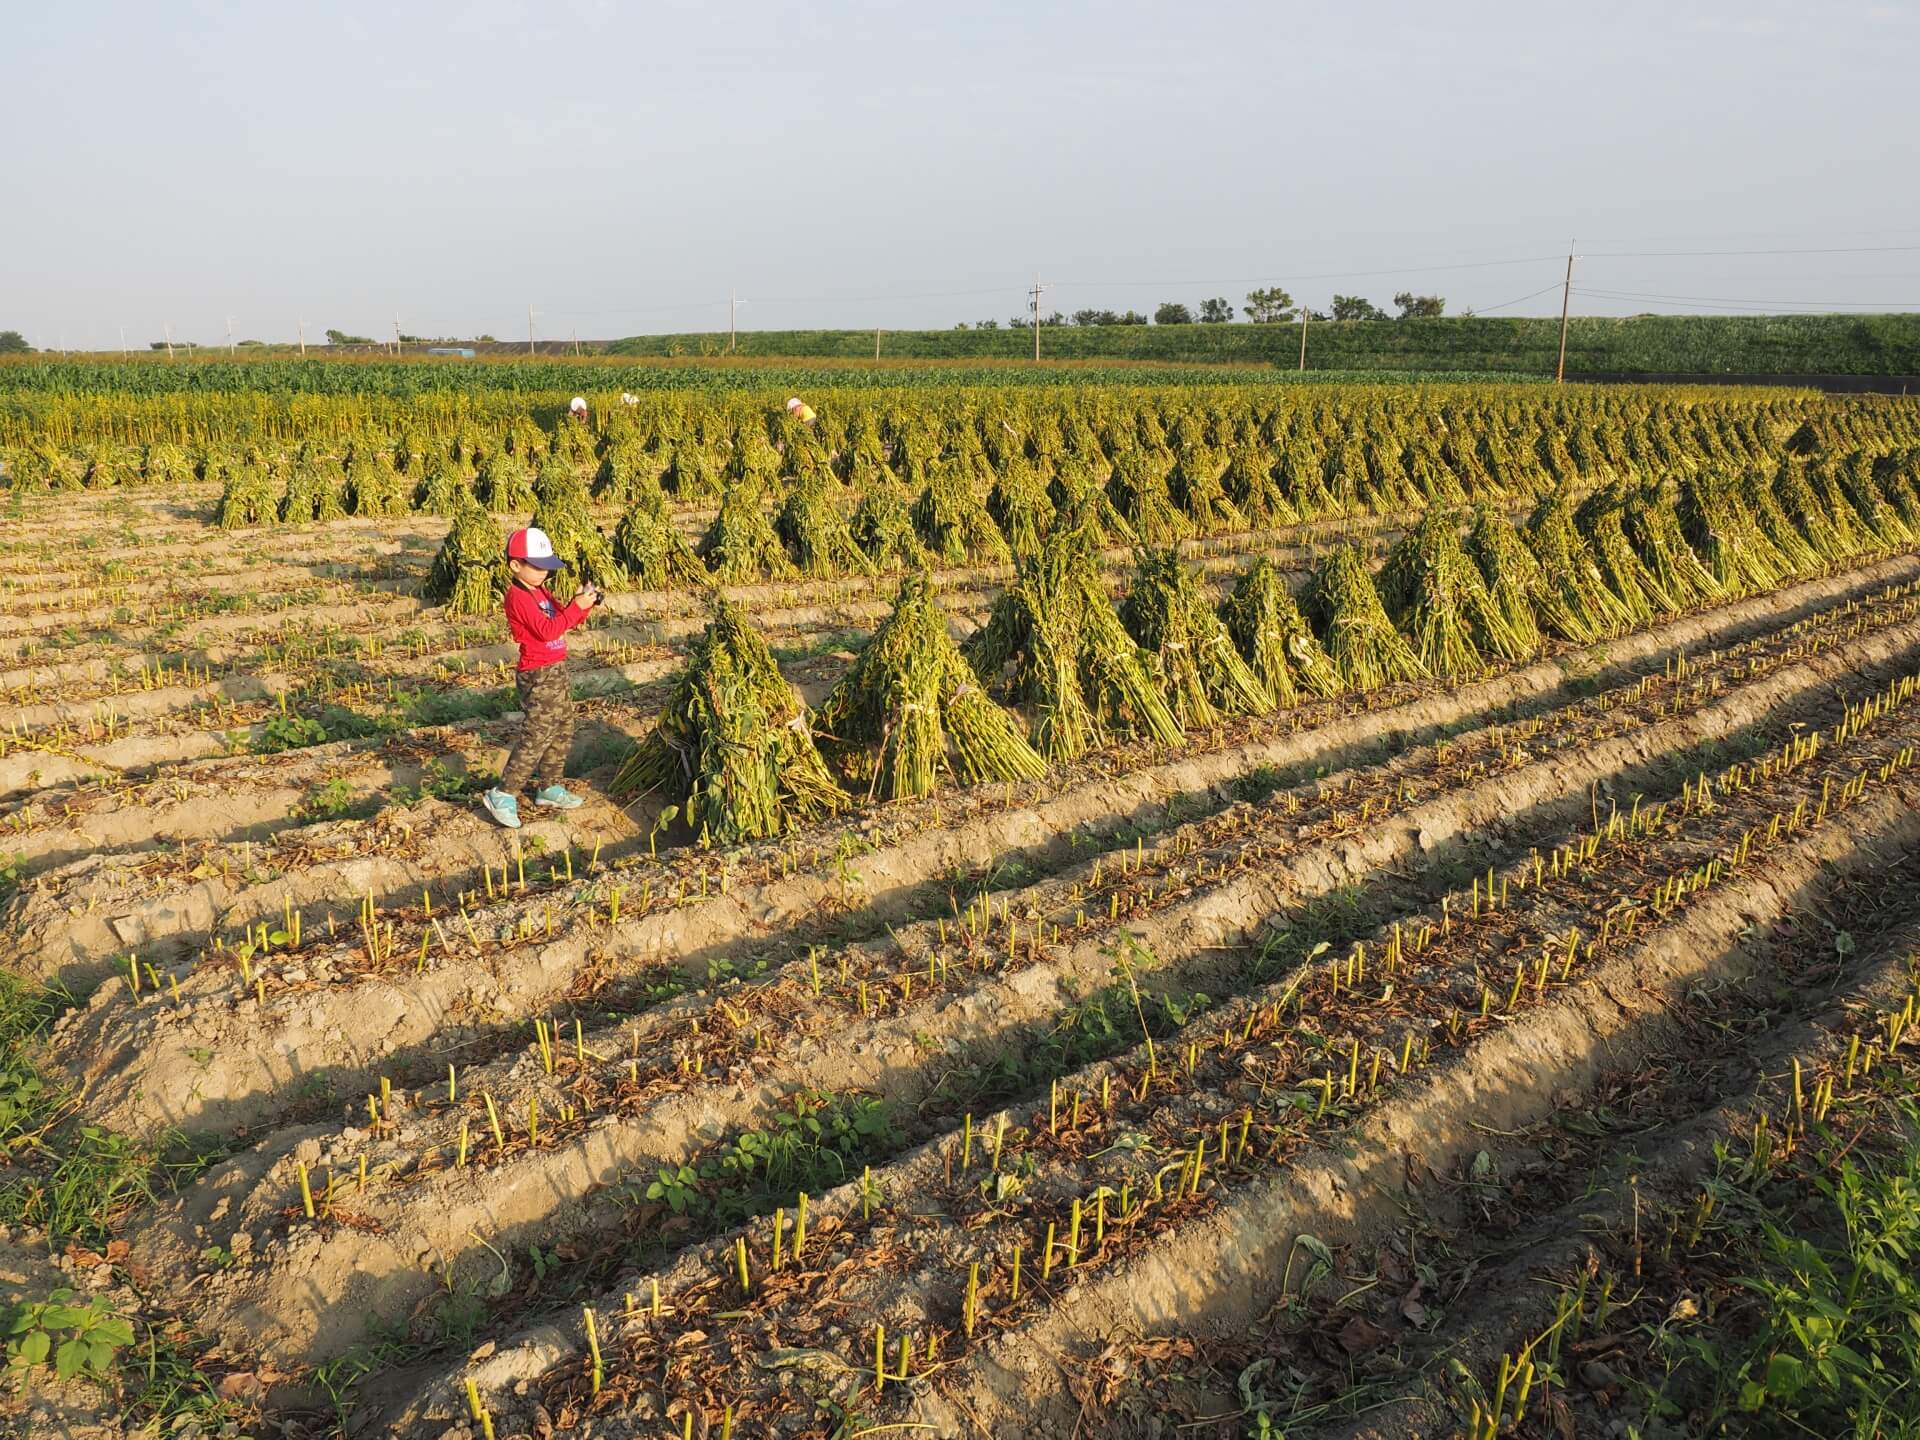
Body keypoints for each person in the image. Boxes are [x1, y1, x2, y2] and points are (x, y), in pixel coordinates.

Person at [483, 526, 599, 828]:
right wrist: (577, 607)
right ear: (515, 565)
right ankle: (503, 792)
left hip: (556, 669)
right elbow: (548, 630)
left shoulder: (540, 590)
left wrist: (582, 603)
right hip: (537, 674)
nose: (544, 573)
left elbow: (562, 620)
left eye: (548, 568)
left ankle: (549, 787)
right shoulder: (518, 597)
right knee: (537, 734)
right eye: (538, 567)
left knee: (562, 727)